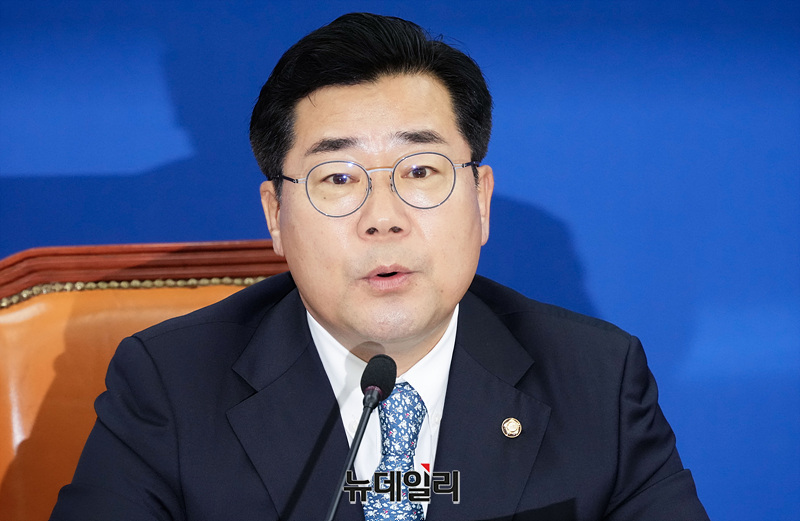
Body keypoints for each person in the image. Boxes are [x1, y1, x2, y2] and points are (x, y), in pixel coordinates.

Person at [50, 12, 709, 521]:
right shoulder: (170, 386)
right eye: (338, 177)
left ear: (480, 202)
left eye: (420, 171)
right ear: (275, 217)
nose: (383, 218)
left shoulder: (597, 379)